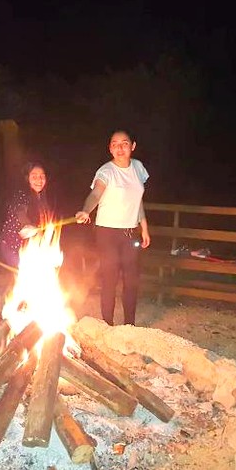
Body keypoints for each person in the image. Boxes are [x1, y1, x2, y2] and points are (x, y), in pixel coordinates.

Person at [75, 130, 151, 326]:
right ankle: (107, 324)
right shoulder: (106, 171)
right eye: (115, 144)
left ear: (132, 146)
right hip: (107, 232)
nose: (119, 147)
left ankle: (129, 325)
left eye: (124, 143)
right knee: (110, 279)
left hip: (129, 232)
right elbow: (95, 194)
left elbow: (137, 201)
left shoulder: (138, 168)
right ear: (110, 148)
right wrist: (86, 210)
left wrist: (144, 227)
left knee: (131, 280)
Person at [0, 162, 51, 268]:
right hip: (12, 245)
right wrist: (27, 225)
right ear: (27, 178)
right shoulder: (22, 194)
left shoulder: (41, 197)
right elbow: (20, 212)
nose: (39, 180)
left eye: (42, 176)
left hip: (30, 244)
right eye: (34, 176)